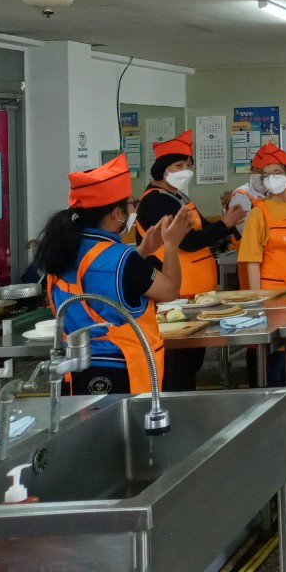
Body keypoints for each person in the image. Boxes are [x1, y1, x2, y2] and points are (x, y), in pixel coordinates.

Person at [38, 155, 192, 396]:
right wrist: (171, 244)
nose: (134, 210)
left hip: (74, 369)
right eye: (132, 204)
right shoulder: (122, 259)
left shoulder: (61, 252)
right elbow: (170, 290)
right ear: (116, 213)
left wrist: (143, 251)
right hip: (122, 371)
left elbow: (99, 280)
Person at [136, 130, 247, 391]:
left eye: (188, 165)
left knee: (191, 364)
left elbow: (203, 227)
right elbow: (188, 241)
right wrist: (225, 224)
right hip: (175, 297)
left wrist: (227, 221)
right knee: (178, 369)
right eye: (178, 166)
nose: (186, 171)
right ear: (162, 169)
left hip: (195, 296)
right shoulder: (154, 201)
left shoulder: (178, 197)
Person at [237, 143, 286, 291]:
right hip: (271, 292)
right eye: (266, 175)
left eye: (277, 173)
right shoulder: (258, 213)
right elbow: (252, 261)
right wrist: (258, 297)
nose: (271, 178)